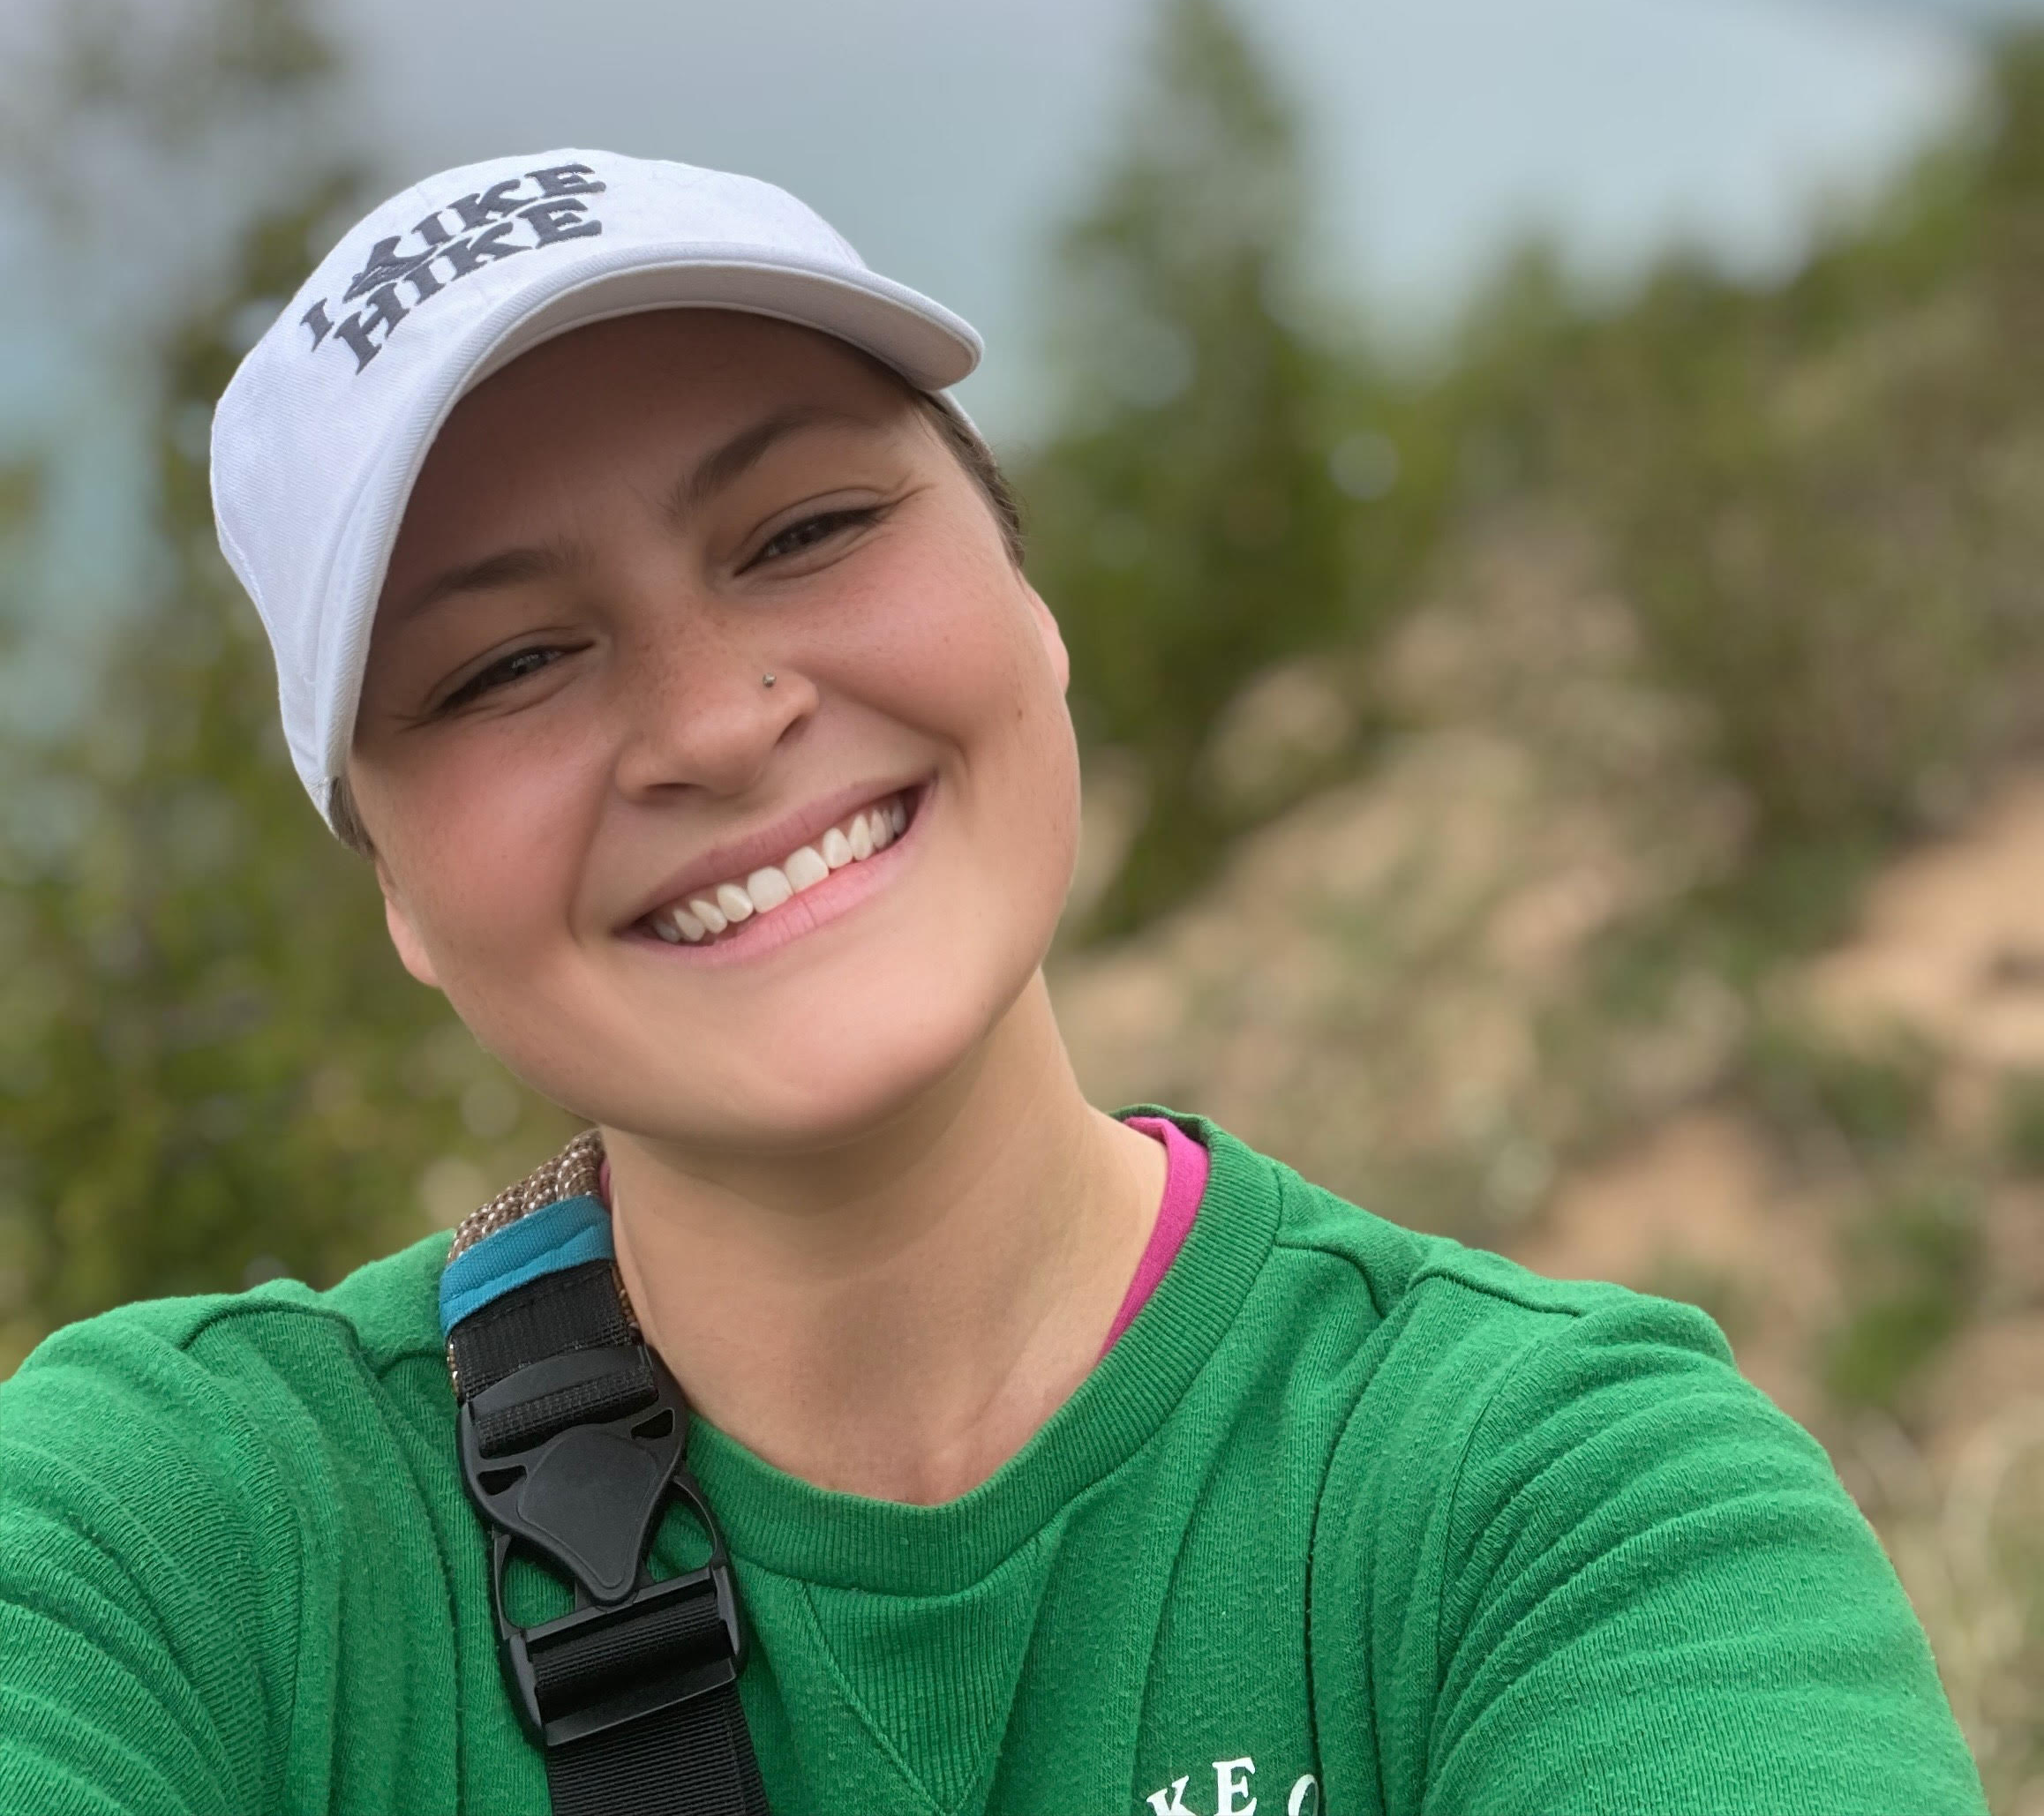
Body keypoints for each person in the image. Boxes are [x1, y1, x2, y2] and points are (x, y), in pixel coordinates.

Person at [0, 148, 1987, 1816]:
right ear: (402, 893)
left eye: (806, 528)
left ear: (1029, 600)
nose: (718, 718)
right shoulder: (176, 1547)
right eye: (509, 663)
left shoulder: (1563, 1507)